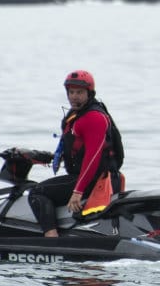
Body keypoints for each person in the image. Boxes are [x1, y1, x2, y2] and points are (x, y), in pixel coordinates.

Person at [27, 69, 124, 238]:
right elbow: (75, 149)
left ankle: (51, 239)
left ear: (89, 93)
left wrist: (78, 191)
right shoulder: (76, 115)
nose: (74, 96)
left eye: (79, 92)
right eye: (71, 92)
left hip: (95, 180)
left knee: (37, 192)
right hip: (89, 177)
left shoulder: (93, 117)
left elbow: (93, 157)